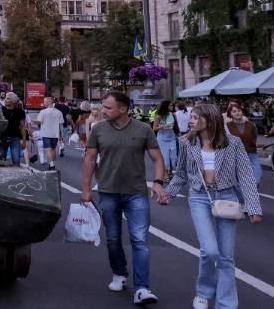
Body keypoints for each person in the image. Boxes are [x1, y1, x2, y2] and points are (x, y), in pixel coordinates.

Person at [166, 103, 263, 309]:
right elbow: (181, 173)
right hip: (200, 197)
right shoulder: (186, 142)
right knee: (210, 250)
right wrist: (169, 193)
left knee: (226, 256)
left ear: (209, 120)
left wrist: (254, 208)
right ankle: (203, 291)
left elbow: (245, 176)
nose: (190, 121)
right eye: (191, 117)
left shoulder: (233, 143)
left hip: (227, 197)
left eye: (195, 117)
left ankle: (226, 304)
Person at [82, 91, 169, 306]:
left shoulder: (143, 130)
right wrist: (86, 190)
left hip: (136, 193)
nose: (103, 111)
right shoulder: (98, 129)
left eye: (108, 107)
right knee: (113, 239)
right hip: (108, 191)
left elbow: (158, 159)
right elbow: (90, 159)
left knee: (140, 240)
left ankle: (142, 288)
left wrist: (158, 182)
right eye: (103, 106)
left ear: (123, 109)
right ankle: (119, 273)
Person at [224, 100, 262, 189]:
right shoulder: (228, 126)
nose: (237, 113)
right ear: (230, 114)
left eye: (239, 110)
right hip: (236, 156)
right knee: (238, 183)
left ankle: (251, 192)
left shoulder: (251, 124)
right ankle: (242, 200)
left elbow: (254, 136)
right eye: (234, 111)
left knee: (257, 179)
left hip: (251, 154)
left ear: (242, 112)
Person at [151, 99, 178, 180]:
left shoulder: (173, 114)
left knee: (174, 156)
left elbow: (175, 127)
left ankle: (170, 172)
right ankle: (166, 174)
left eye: (172, 105)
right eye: (170, 105)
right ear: (166, 106)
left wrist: (178, 135)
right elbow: (154, 128)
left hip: (171, 137)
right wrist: (163, 126)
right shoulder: (158, 115)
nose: (172, 107)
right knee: (165, 157)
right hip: (162, 138)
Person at [0, 92, 27, 167]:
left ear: (13, 101)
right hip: (2, 138)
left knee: (16, 161)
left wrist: (24, 140)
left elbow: (22, 126)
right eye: (5, 98)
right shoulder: (0, 110)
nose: (5, 100)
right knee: (0, 161)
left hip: (15, 138)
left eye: (8, 98)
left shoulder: (20, 112)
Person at [36, 96, 64, 169]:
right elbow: (61, 124)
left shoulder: (43, 112)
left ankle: (52, 165)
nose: (44, 103)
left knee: (48, 149)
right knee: (53, 149)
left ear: (49, 102)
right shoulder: (59, 112)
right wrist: (62, 135)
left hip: (46, 133)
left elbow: (39, 122)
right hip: (55, 133)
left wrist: (32, 121)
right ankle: (52, 163)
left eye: (44, 101)